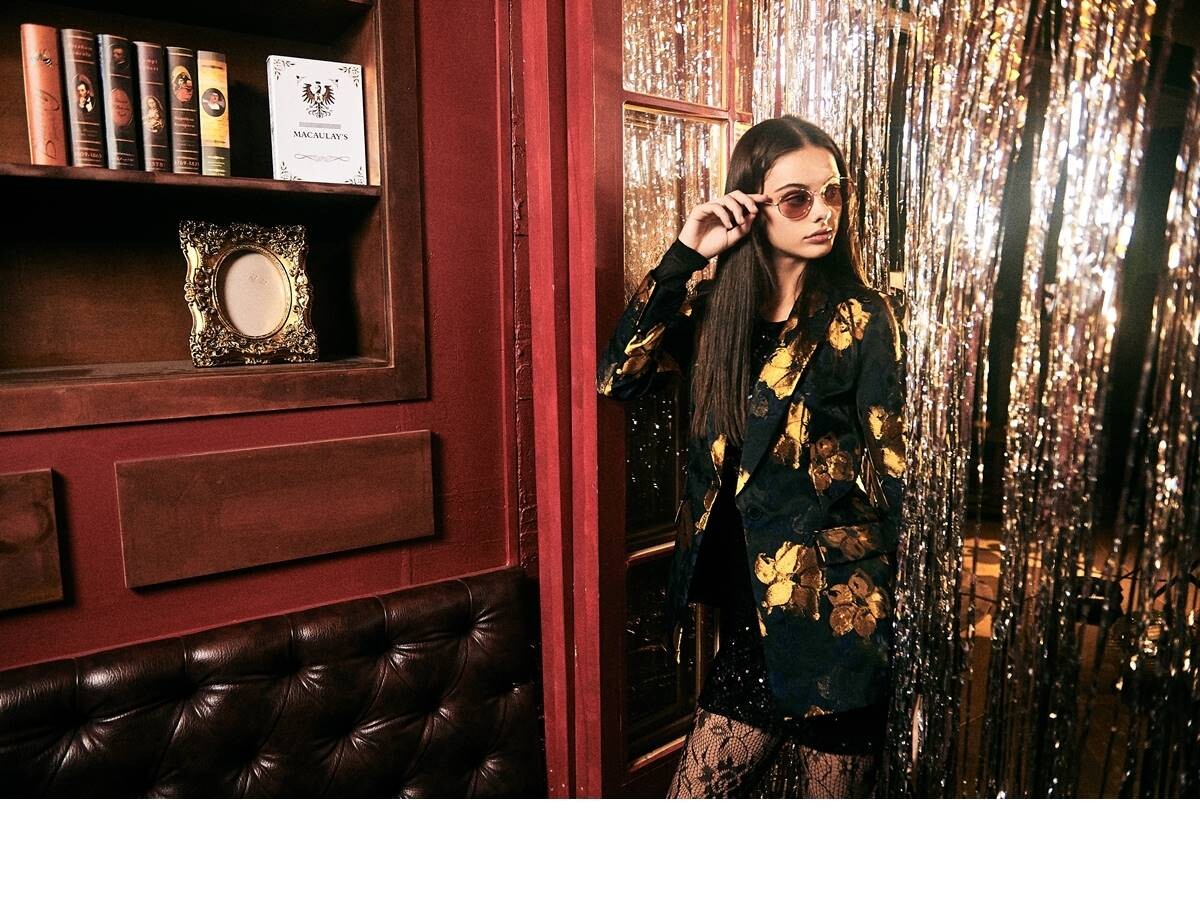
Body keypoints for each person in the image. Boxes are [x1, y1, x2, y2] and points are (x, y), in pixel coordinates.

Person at [596, 116, 906, 798]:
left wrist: (894, 619)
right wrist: (687, 251)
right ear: (752, 205)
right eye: (797, 199)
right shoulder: (715, 313)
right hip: (747, 628)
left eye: (833, 192)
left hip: (836, 624)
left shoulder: (861, 316)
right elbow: (619, 377)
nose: (823, 212)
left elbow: (893, 472)